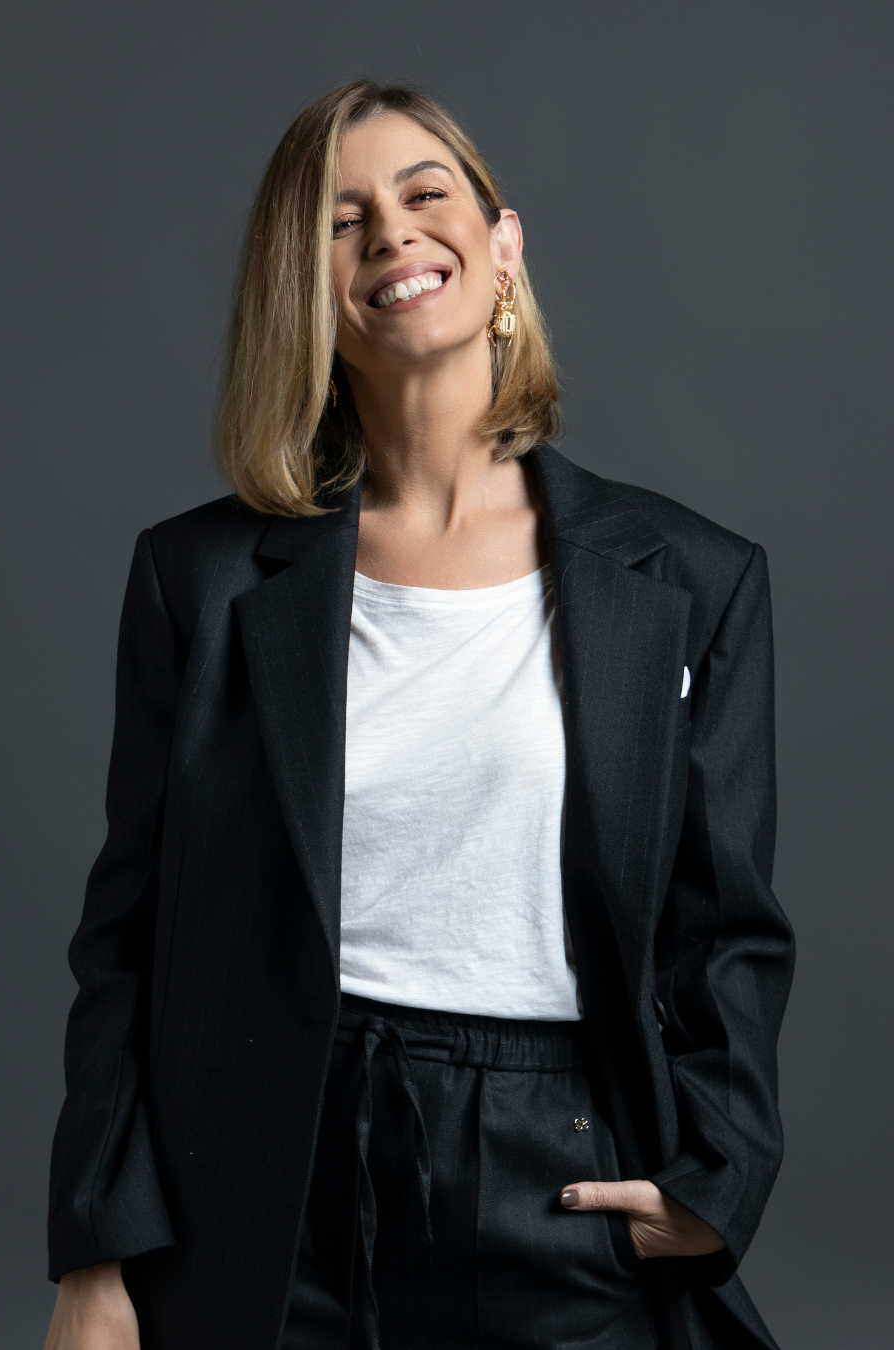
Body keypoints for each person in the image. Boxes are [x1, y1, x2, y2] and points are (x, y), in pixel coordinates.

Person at [43, 80, 793, 1350]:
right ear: (307, 292)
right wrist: (97, 1253)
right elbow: (129, 935)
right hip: (267, 1182)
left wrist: (716, 1176)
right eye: (342, 221)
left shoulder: (690, 581)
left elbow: (725, 927)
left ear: (503, 246)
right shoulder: (199, 580)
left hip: (556, 1168)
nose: (392, 231)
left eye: (425, 193)